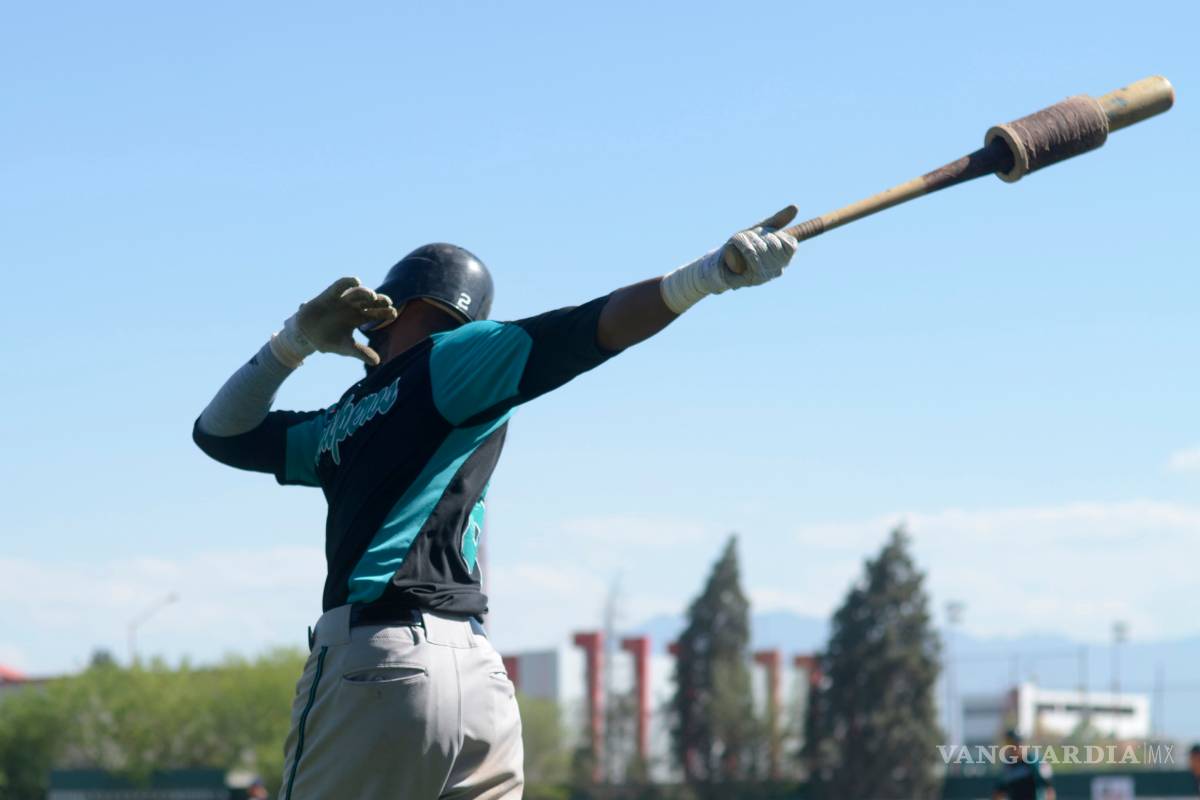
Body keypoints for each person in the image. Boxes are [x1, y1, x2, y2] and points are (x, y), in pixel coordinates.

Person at [192, 210, 799, 799]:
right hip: (477, 681)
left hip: (375, 667)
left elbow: (219, 432)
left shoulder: (417, 376)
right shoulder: (363, 410)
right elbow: (589, 326)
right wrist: (710, 276)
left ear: (390, 306)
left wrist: (291, 343)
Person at [993, 729, 1055, 800]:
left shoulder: (1034, 761)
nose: (1012, 749)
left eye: (1015, 744)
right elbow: (999, 791)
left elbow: (1049, 789)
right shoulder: (1007, 765)